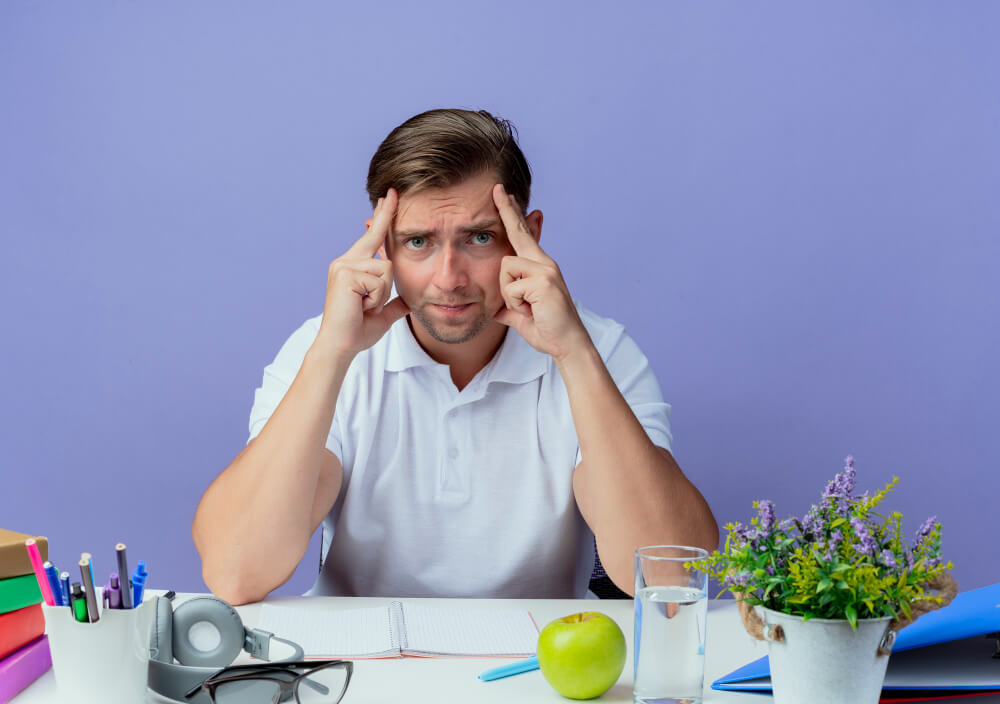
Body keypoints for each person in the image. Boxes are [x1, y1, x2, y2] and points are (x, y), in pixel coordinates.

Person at [192, 109, 718, 605]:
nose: (449, 278)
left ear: (528, 236)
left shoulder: (598, 349)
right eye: (418, 241)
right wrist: (331, 354)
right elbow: (237, 572)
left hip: (541, 670)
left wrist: (572, 352)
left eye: (480, 237)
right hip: (358, 671)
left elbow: (675, 581)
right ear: (383, 248)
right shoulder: (324, 347)